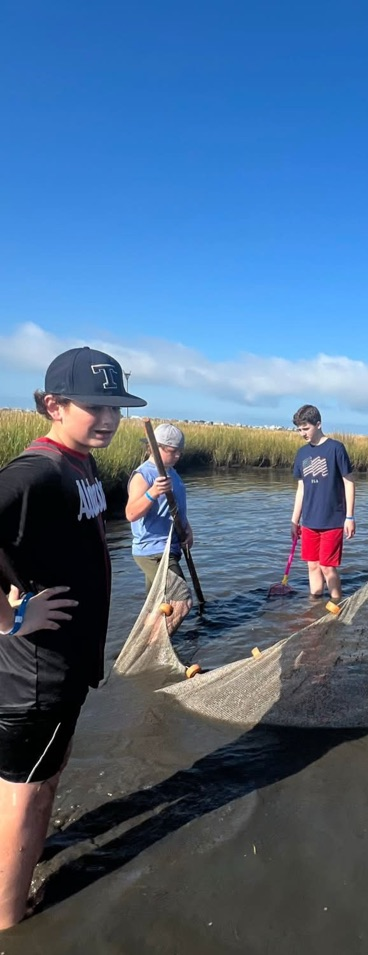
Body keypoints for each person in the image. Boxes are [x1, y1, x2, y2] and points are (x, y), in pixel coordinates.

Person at [0, 346, 146, 929]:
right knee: (26, 796)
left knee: (38, 782)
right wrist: (10, 620)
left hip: (67, 666)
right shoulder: (37, 471)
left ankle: (19, 863)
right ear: (52, 405)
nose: (109, 418)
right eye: (95, 406)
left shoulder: (82, 464)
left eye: (117, 406)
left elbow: (91, 533)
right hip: (35, 673)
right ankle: (10, 916)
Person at [125, 423, 194, 630]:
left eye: (180, 452)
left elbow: (176, 509)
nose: (177, 456)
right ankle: (154, 648)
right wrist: (152, 493)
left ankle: (145, 645)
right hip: (153, 552)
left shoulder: (173, 473)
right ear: (155, 448)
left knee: (157, 607)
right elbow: (131, 513)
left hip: (170, 549)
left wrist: (187, 528)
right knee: (181, 601)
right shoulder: (143, 475)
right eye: (173, 452)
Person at [290, 405, 356, 602]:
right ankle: (315, 606)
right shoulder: (302, 453)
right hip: (309, 520)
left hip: (333, 520)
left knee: (328, 566)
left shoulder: (336, 448)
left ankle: (337, 604)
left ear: (318, 424)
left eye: (306, 428)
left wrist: (350, 517)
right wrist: (295, 520)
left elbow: (349, 482)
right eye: (299, 429)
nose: (303, 433)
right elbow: (301, 488)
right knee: (312, 565)